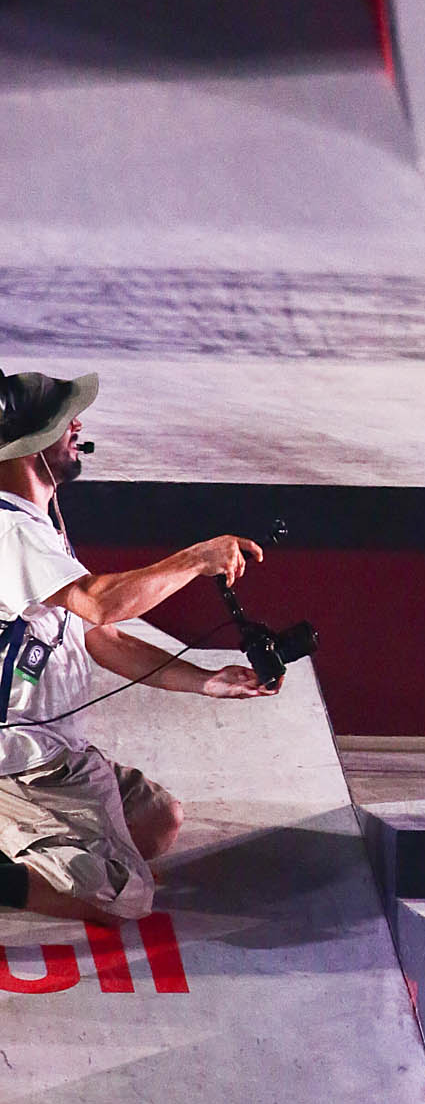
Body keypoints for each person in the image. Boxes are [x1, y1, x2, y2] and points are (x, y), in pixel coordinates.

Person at [0, 371, 273, 926]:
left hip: (55, 752)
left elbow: (101, 637)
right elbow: (100, 602)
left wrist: (203, 680)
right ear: (29, 448)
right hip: (19, 764)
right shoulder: (10, 534)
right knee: (124, 895)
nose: (76, 426)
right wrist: (196, 559)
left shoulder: (39, 527)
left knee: (158, 821)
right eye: (60, 423)